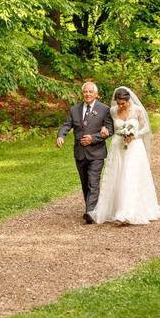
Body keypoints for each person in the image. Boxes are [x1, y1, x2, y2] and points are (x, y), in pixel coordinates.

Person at [93, 87, 160, 225]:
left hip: (135, 147)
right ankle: (116, 208)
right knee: (117, 175)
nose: (120, 106)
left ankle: (127, 213)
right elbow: (110, 126)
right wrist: (105, 129)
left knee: (130, 176)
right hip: (118, 147)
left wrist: (134, 135)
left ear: (128, 101)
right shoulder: (113, 111)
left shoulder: (138, 110)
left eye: (123, 103)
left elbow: (145, 128)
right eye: (118, 103)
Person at [56, 82, 114, 224]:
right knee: (85, 182)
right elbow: (67, 125)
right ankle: (91, 208)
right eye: (85, 92)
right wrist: (61, 135)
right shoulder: (74, 109)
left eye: (90, 92)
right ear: (82, 94)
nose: (87, 94)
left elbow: (110, 130)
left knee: (93, 182)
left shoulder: (105, 109)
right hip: (80, 153)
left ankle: (90, 212)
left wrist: (93, 138)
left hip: (96, 153)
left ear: (96, 94)